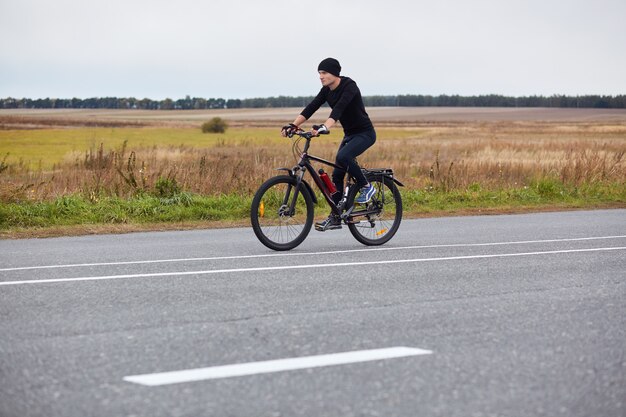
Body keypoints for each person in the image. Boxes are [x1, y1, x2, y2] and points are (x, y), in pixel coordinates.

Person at [281, 57, 377, 231]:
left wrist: (325, 126)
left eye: (324, 73)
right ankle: (336, 217)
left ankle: (366, 186)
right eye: (319, 73)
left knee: (343, 156)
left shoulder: (349, 86)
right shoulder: (326, 90)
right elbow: (312, 107)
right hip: (349, 135)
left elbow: (338, 109)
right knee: (337, 174)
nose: (321, 76)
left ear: (334, 73)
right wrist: (294, 125)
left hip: (365, 134)